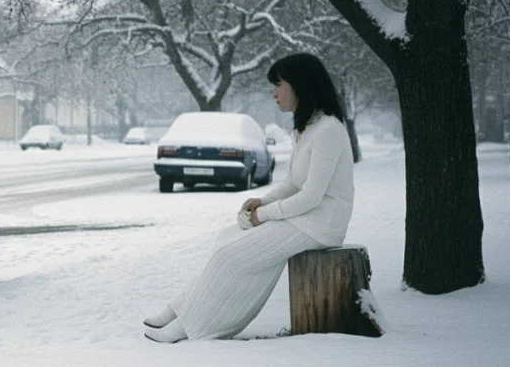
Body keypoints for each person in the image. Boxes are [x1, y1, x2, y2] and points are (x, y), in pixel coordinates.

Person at [142, 53, 355, 343]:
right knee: (225, 238)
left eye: (278, 84)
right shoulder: (307, 128)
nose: (273, 93)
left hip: (320, 224)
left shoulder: (328, 130)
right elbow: (293, 182)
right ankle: (179, 309)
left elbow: (312, 196)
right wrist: (262, 202)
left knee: (230, 255)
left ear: (300, 85)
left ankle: (192, 327)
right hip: (304, 219)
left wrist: (264, 215)